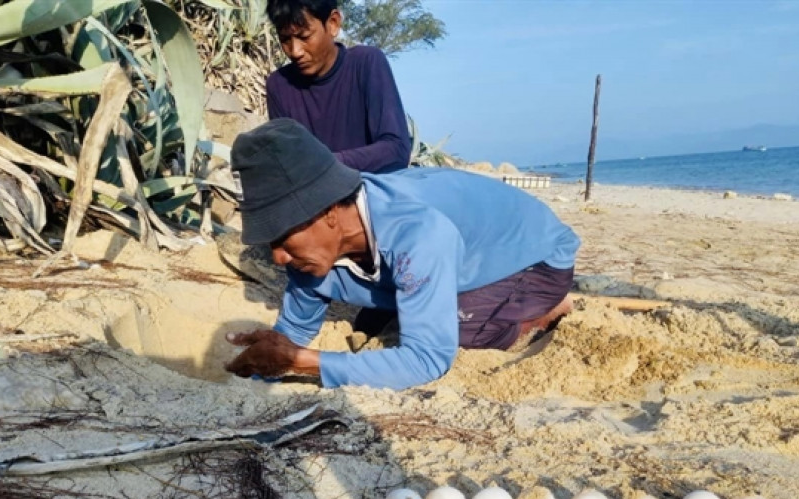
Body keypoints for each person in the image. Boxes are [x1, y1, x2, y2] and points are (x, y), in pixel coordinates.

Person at [225, 119, 580, 390]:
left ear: (328, 213)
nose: (278, 258)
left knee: (459, 332)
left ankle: (543, 310)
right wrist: (264, 363)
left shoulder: (415, 233)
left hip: (536, 259)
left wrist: (302, 362)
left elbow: (428, 360)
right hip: (450, 252)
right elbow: (296, 328)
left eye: (283, 238)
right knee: (409, 305)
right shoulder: (311, 249)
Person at [264, 0, 411, 173]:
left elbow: (396, 149)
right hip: (315, 196)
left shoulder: (366, 63)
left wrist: (327, 164)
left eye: (304, 37)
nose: (295, 51)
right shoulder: (279, 85)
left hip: (372, 190)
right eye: (285, 39)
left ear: (333, 23)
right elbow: (287, 162)